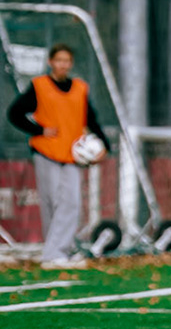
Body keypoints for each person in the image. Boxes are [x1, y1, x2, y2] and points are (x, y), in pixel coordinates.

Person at [7, 44, 111, 269]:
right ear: (51, 62)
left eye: (67, 60)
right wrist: (39, 130)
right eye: (59, 60)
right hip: (46, 152)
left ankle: (58, 252)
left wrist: (104, 145)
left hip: (71, 154)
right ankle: (55, 252)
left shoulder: (80, 88)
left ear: (71, 63)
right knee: (52, 203)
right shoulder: (40, 86)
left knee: (71, 203)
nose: (63, 64)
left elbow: (90, 119)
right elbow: (14, 113)